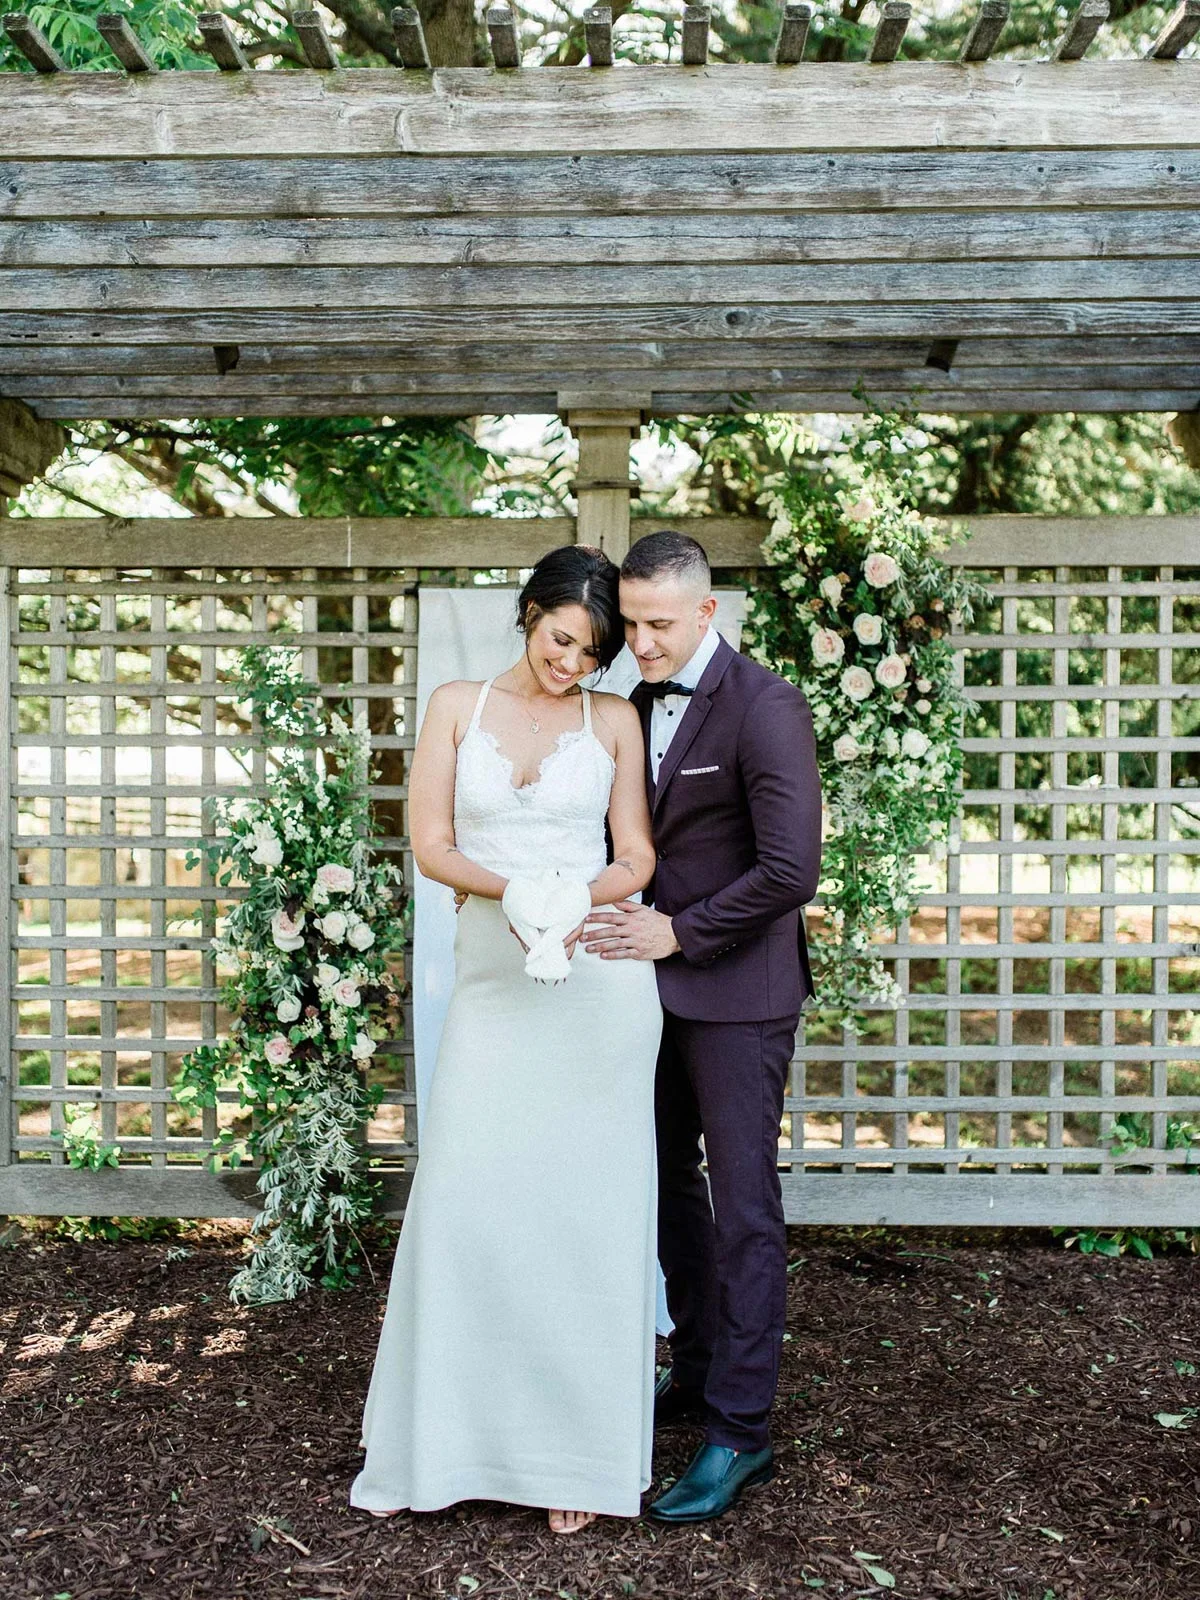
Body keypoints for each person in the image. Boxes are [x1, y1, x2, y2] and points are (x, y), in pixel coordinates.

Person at [350, 544, 662, 1535]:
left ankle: (575, 1455)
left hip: (598, 982)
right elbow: (431, 844)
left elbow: (637, 855)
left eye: (593, 653)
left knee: (582, 1217)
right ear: (531, 612)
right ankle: (446, 1444)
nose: (571, 663)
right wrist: (519, 892)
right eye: (561, 639)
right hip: (493, 979)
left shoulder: (614, 721)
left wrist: (572, 898)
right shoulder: (455, 705)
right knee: (468, 1201)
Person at [584, 530, 822, 1524]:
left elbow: (791, 869)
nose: (639, 642)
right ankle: (697, 1367)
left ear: (706, 613)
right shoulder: (631, 705)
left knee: (744, 1206)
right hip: (646, 996)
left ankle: (742, 1432)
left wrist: (679, 931)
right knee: (668, 1187)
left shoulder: (767, 707)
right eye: (631, 624)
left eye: (658, 625)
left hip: (742, 997)